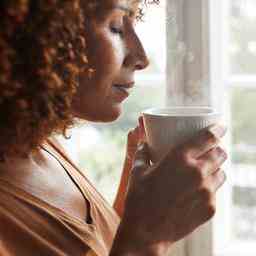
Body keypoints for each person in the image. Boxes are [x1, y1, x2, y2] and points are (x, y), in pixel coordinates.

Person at [0, 0, 227, 255]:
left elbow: (103, 246)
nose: (142, 58)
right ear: (36, 33)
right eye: (117, 27)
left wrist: (143, 198)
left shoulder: (39, 147)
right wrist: (148, 239)